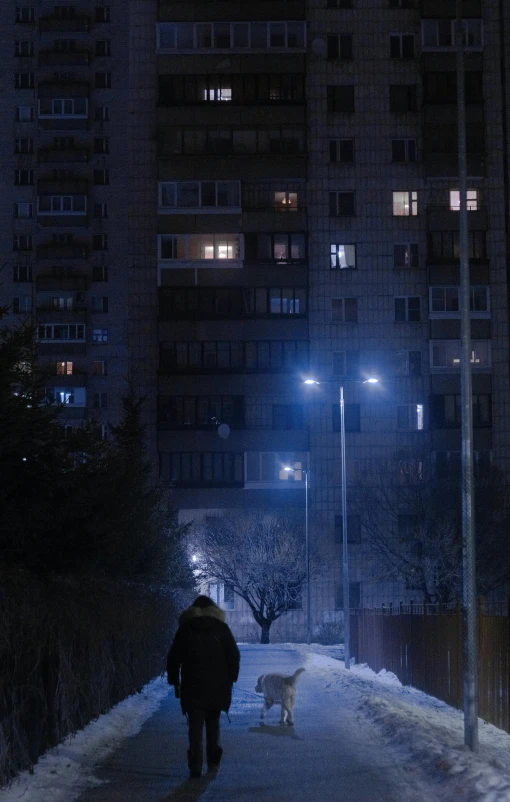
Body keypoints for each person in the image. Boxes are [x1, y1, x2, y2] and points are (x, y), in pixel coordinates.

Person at [167, 595, 240, 778]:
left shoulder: (185, 629)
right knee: (213, 724)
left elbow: (174, 658)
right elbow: (234, 655)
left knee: (195, 725)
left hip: (192, 685)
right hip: (218, 686)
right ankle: (213, 761)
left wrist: (174, 679)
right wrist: (232, 676)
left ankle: (195, 766)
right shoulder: (222, 628)